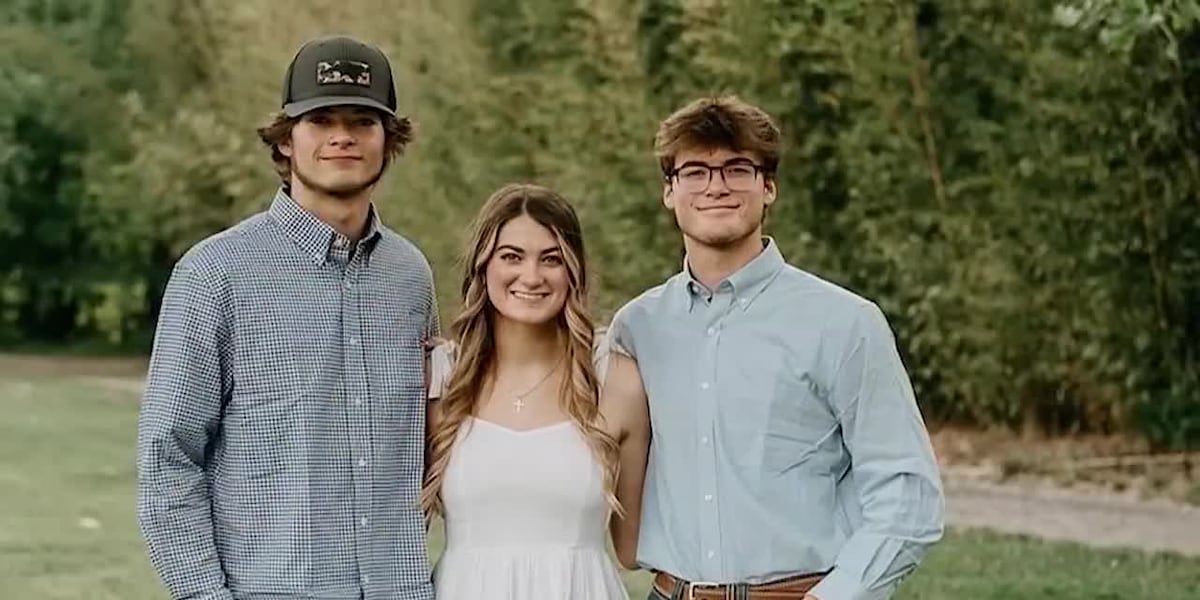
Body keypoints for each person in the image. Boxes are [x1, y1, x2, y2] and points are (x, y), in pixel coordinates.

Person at [136, 35, 439, 600]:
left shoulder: (410, 277)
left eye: (363, 120)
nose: (342, 135)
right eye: (321, 119)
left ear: (388, 139)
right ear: (286, 140)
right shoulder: (215, 275)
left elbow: (426, 447)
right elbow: (168, 463)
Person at [607, 95, 945, 600]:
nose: (716, 186)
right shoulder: (637, 327)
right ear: (669, 191)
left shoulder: (845, 323)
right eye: (695, 171)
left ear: (768, 187)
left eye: (737, 169)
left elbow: (907, 492)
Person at [422, 183, 651, 599]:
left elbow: (631, 549)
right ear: (483, 266)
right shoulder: (443, 379)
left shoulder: (615, 380)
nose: (531, 276)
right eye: (512, 257)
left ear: (573, 271)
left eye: (552, 259)